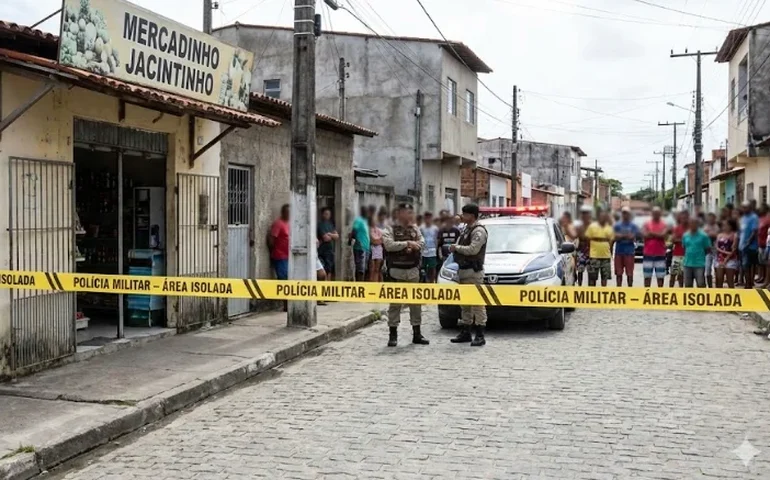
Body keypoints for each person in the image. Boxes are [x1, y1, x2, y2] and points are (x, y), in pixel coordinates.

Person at [382, 203, 428, 347]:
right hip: (396, 271)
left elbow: (422, 243)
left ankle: (417, 334)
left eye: (411, 212)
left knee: (415, 304)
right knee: (395, 304)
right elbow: (388, 245)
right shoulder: (390, 228)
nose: (410, 215)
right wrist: (407, 243)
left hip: (413, 270)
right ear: (399, 213)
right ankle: (393, 335)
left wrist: (414, 246)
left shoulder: (415, 228)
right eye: (407, 212)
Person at [449, 203, 489, 347]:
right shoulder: (467, 229)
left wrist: (456, 248)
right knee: (465, 304)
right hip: (463, 270)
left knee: (477, 304)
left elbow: (473, 249)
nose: (463, 216)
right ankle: (466, 331)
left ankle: (480, 334)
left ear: (472, 215)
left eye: (465, 214)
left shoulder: (479, 231)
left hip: (473, 271)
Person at [268, 204, 290, 311]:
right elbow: (271, 240)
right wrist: (274, 252)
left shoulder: (289, 223)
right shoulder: (278, 224)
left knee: (289, 280)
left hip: (289, 256)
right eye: (287, 212)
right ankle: (285, 305)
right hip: (280, 256)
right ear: (283, 213)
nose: (289, 214)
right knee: (283, 280)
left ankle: (289, 303)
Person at [585, 210, 614, 287]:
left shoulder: (609, 227)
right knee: (592, 277)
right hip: (594, 256)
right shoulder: (592, 226)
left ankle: (603, 291)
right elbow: (587, 238)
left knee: (605, 277)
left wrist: (609, 250)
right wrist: (591, 248)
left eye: (604, 217)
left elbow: (611, 241)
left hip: (606, 256)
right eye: (601, 216)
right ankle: (592, 292)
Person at [642, 207, 669, 288]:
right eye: (654, 213)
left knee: (660, 277)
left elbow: (663, 235)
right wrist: (658, 234)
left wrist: (651, 233)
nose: (656, 215)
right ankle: (647, 292)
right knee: (647, 276)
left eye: (657, 213)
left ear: (660, 214)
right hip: (648, 254)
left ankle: (659, 292)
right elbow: (644, 235)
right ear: (652, 214)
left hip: (660, 254)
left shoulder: (664, 224)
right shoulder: (646, 224)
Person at [682, 216, 711, 288]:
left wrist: (700, 255)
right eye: (691, 223)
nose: (693, 225)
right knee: (687, 285)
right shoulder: (685, 235)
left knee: (701, 284)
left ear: (698, 224)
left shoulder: (704, 236)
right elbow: (684, 247)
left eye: (694, 223)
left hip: (699, 264)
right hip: (687, 263)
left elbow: (708, 249)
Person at [613, 207, 638, 287]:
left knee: (630, 273)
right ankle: (619, 290)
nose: (625, 215)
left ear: (629, 214)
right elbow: (614, 237)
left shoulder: (633, 225)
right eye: (623, 213)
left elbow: (632, 237)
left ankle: (629, 289)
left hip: (629, 252)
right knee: (618, 273)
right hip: (619, 252)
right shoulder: (617, 225)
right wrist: (625, 236)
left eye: (626, 213)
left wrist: (621, 236)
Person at [739, 201, 759, 288]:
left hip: (750, 246)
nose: (744, 209)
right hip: (742, 246)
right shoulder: (743, 218)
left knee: (748, 265)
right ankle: (747, 283)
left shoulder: (753, 217)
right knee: (744, 266)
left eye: (745, 207)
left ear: (749, 208)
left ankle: (749, 284)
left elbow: (754, 231)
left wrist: (748, 242)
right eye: (743, 207)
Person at [715, 219, 739, 288]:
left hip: (731, 259)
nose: (724, 227)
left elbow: (733, 249)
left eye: (726, 225)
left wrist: (726, 259)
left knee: (730, 280)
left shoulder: (734, 235)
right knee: (719, 279)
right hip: (720, 259)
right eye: (723, 225)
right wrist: (724, 254)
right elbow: (717, 247)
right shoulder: (719, 235)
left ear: (730, 226)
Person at [349, 206, 371, 282]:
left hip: (366, 247)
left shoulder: (366, 221)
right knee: (360, 270)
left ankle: (361, 284)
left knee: (364, 269)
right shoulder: (358, 220)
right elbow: (354, 231)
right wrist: (351, 240)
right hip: (360, 247)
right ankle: (359, 284)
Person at [317, 207, 339, 281]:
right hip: (322, 251)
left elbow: (337, 236)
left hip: (330, 250)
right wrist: (332, 235)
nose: (328, 215)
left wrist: (330, 234)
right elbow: (326, 238)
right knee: (322, 270)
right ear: (322, 214)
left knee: (329, 269)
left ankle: (328, 284)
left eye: (329, 214)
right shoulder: (320, 224)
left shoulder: (331, 224)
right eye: (326, 214)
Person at [669, 210, 688, 288]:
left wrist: (680, 240)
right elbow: (673, 240)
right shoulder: (677, 228)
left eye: (686, 218)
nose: (684, 220)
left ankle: (681, 290)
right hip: (677, 254)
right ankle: (670, 290)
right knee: (673, 274)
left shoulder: (690, 229)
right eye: (683, 218)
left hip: (687, 255)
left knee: (681, 275)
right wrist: (684, 240)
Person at [575, 206, 593, 286]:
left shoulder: (592, 226)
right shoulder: (579, 226)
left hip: (590, 251)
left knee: (590, 272)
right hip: (581, 251)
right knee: (580, 271)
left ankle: (590, 288)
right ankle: (580, 286)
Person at [420, 212, 439, 283]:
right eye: (426, 218)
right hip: (423, 250)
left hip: (432, 251)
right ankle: (424, 281)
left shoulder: (435, 228)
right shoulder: (421, 228)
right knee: (423, 267)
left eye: (429, 218)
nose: (428, 220)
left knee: (432, 267)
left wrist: (436, 249)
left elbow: (437, 239)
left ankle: (431, 281)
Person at [703, 213, 720, 288]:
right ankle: (710, 287)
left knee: (717, 270)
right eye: (709, 218)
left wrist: (709, 234)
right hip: (708, 251)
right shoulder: (705, 227)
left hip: (717, 250)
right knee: (707, 270)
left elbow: (717, 235)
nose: (710, 219)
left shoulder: (717, 227)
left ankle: (718, 286)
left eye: (712, 218)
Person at [368, 214, 384, 282]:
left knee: (377, 269)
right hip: (371, 250)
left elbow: (382, 240)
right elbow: (372, 240)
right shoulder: (368, 230)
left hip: (379, 250)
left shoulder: (379, 230)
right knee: (372, 269)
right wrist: (377, 241)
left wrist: (376, 241)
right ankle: (371, 282)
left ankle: (376, 282)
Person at [757, 205, 770, 286]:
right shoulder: (760, 219)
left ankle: (766, 281)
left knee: (768, 263)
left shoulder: (768, 220)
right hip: (761, 244)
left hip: (766, 244)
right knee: (762, 262)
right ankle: (763, 277)